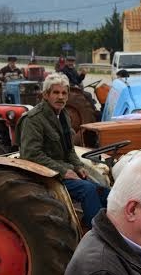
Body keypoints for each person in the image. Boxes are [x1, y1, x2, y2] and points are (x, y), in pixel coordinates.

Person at [18, 73, 108, 228]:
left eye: (64, 93)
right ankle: (94, 231)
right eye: (56, 92)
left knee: (103, 190)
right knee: (87, 190)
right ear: (46, 95)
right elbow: (31, 155)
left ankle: (116, 226)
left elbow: (69, 149)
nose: (61, 97)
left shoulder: (64, 115)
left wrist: (78, 166)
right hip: (45, 174)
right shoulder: (33, 119)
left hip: (62, 169)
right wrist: (63, 171)